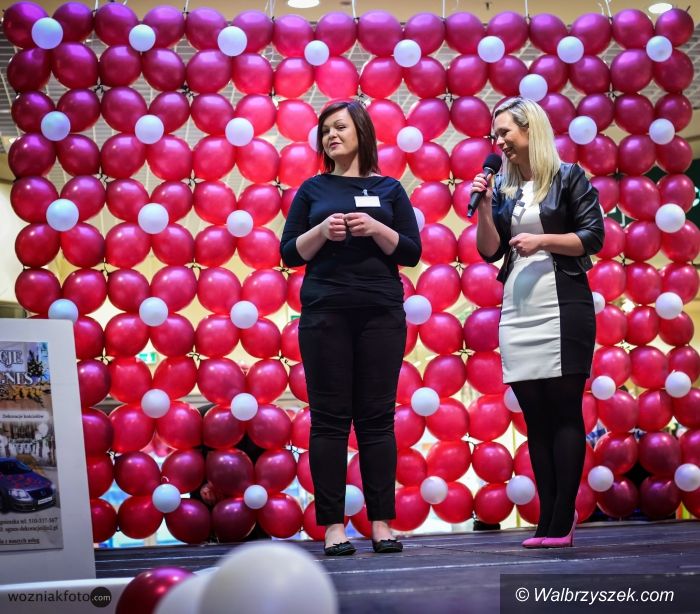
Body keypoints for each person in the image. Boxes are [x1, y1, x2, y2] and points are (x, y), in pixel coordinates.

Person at [280, 100, 421, 556]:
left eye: (339, 127)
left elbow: (411, 251)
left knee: (377, 420)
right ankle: (333, 528)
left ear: (361, 131)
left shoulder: (389, 189)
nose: (331, 136)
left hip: (381, 315)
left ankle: (381, 523)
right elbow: (289, 253)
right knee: (329, 421)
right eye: (325, 131)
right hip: (325, 315)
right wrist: (322, 231)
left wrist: (377, 228)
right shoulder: (312, 189)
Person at [471, 97, 604, 548]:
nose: (499, 142)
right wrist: (485, 207)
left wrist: (543, 240)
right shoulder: (506, 190)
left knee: (564, 412)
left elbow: (593, 236)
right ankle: (546, 519)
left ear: (531, 130)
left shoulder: (569, 177)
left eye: (506, 132)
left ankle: (562, 519)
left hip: (562, 307)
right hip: (519, 310)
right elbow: (490, 250)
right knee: (535, 419)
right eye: (496, 135)